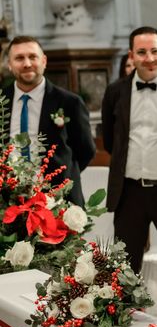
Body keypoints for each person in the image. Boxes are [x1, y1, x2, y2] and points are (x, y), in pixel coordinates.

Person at [101, 27, 157, 281]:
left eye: (154, 51)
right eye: (141, 52)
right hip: (129, 192)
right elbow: (109, 140)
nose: (149, 58)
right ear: (131, 55)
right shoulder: (115, 92)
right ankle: (125, 319)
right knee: (124, 268)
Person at [5, 36, 95, 206]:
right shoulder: (2, 100)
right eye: (19, 58)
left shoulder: (69, 102)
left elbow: (86, 150)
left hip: (58, 199)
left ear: (44, 61)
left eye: (33, 57)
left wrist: (64, 174)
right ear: (9, 64)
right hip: (10, 200)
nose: (27, 64)